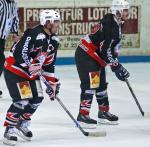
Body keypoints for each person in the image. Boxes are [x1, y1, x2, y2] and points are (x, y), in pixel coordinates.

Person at [3, 9, 61, 146]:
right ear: (47, 22)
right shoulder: (33, 33)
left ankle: (21, 122)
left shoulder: (54, 41)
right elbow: (19, 53)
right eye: (56, 22)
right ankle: (9, 129)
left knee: (37, 97)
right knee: (22, 99)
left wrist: (51, 83)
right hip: (15, 70)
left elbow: (49, 64)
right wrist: (31, 65)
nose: (58, 25)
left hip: (30, 72)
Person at [75, 0, 130, 128]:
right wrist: (117, 67)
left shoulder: (118, 22)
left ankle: (103, 112)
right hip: (86, 54)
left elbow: (111, 47)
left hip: (96, 56)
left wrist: (116, 64)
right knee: (91, 84)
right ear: (118, 11)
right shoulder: (109, 23)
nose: (128, 12)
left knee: (101, 85)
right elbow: (105, 49)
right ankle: (83, 115)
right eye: (125, 10)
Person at [0, 0, 19, 97]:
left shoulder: (14, 4)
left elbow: (15, 19)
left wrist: (15, 33)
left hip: (2, 37)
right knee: (1, 60)